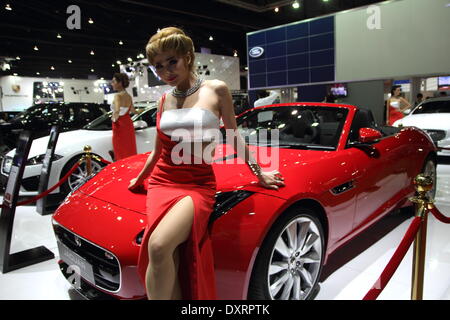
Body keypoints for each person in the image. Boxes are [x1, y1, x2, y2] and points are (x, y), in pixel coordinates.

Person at [127, 27, 284, 300]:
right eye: (158, 66)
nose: (166, 71)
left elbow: (234, 137)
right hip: (163, 181)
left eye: (171, 61)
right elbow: (157, 150)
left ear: (187, 56)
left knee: (159, 246)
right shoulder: (164, 100)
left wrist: (260, 174)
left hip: (196, 184)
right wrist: (141, 179)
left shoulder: (216, 90)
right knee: (168, 255)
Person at [110, 73, 137, 160]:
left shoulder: (117, 95)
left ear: (120, 83)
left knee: (120, 150)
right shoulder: (129, 96)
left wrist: (114, 119)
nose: (112, 84)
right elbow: (133, 111)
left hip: (119, 125)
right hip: (128, 124)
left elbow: (117, 110)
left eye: (114, 81)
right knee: (129, 148)